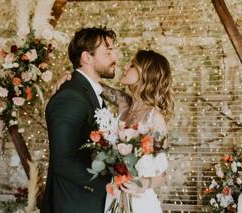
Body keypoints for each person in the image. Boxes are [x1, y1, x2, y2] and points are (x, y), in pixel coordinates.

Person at [56, 50, 174, 213]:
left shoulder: (155, 118)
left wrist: (141, 185)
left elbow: (163, 173)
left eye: (132, 65)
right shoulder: (124, 103)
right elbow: (90, 83)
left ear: (146, 74)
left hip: (138, 201)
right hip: (113, 196)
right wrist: (70, 77)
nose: (125, 66)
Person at [40, 27, 118, 213]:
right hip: (74, 204)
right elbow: (63, 162)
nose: (115, 57)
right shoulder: (70, 97)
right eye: (108, 52)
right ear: (87, 58)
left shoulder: (90, 92)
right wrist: (110, 184)